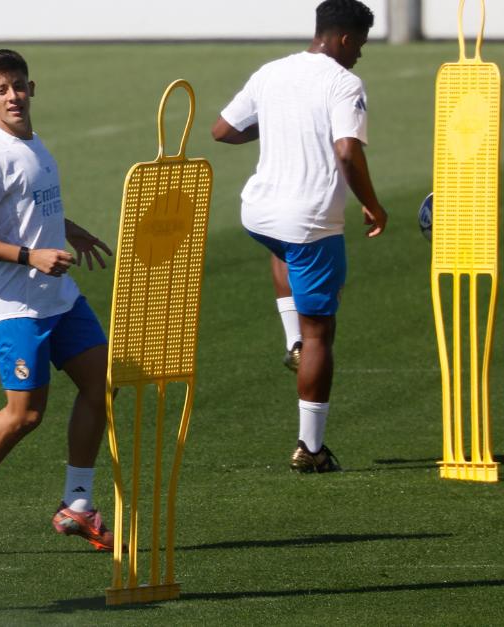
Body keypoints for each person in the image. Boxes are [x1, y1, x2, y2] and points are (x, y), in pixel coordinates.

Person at [0, 49, 115, 556]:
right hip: (16, 305)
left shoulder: (32, 142)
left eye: (18, 86)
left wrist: (67, 229)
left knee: (103, 385)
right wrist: (30, 255)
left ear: (32, 88)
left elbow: (32, 206)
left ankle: (77, 505)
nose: (12, 96)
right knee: (25, 415)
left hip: (60, 297)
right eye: (1, 89)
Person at [211, 0, 387, 472]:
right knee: (321, 337)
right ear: (346, 39)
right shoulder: (344, 83)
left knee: (282, 247)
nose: (360, 56)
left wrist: (278, 124)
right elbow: (347, 153)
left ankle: (292, 342)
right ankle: (310, 450)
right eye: (361, 45)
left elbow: (222, 130)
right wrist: (373, 203)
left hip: (259, 212)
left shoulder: (272, 72)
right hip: (309, 222)